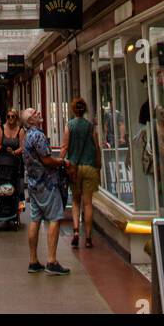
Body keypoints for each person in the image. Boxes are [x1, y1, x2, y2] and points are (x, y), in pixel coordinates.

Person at [21, 107, 70, 275]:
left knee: (35, 219)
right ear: (30, 121)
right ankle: (51, 260)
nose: (39, 113)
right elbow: (47, 160)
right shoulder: (38, 136)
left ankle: (33, 260)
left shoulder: (27, 136)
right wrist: (62, 162)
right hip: (47, 183)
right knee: (55, 218)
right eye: (35, 113)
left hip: (34, 183)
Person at [61, 96, 102, 248]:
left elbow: (65, 146)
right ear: (84, 110)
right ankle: (89, 238)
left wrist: (60, 161)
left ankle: (76, 231)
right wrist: (99, 163)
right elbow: (96, 146)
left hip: (74, 168)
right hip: (90, 167)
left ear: (73, 109)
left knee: (76, 201)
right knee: (88, 203)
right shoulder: (90, 126)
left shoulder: (69, 125)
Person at [0, 106, 25, 199]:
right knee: (2, 179)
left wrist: (14, 152)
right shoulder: (1, 128)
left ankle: (20, 201)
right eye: (8, 116)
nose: (10, 118)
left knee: (18, 182)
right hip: (4, 159)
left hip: (16, 160)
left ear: (16, 118)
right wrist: (2, 149)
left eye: (13, 116)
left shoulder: (20, 130)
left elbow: (22, 147)